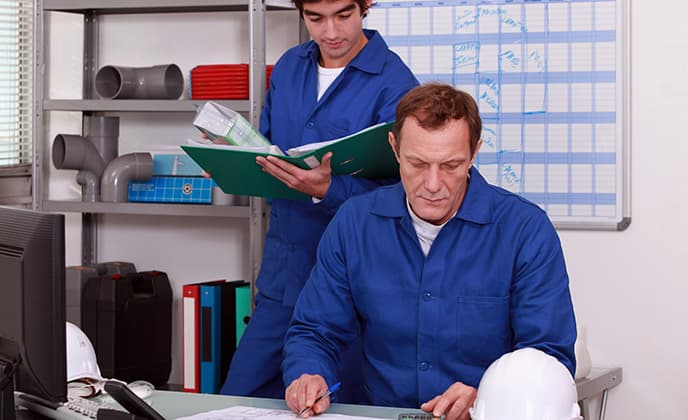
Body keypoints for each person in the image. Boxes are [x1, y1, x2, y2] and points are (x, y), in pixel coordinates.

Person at [283, 82, 577, 419]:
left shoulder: (525, 231)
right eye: (418, 164)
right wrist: (307, 375)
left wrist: (485, 398)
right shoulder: (354, 223)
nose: (433, 185)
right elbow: (315, 331)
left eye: (451, 165)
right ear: (394, 148)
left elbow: (548, 360)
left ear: (475, 152)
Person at [219, 0, 419, 402]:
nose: (330, 31)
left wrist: (331, 190)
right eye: (315, 18)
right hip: (283, 278)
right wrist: (229, 162)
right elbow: (268, 151)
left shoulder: (396, 83)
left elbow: (407, 198)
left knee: (329, 407)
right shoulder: (290, 67)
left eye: (343, 15)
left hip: (351, 290)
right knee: (235, 401)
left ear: (365, 7)